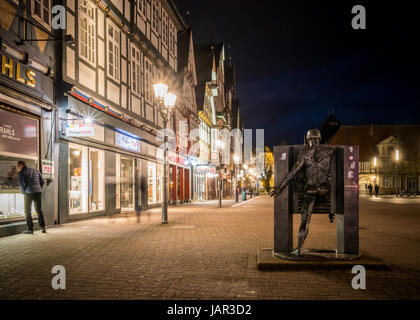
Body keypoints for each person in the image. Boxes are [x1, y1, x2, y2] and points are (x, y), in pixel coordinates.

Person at [17, 160, 46, 234]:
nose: (18, 168)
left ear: (20, 165)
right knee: (38, 210)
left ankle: (30, 229)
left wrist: (23, 192)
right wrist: (38, 188)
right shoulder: (36, 170)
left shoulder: (21, 173)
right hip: (38, 192)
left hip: (28, 193)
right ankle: (43, 227)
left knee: (27, 211)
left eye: (18, 167)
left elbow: (21, 184)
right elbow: (42, 181)